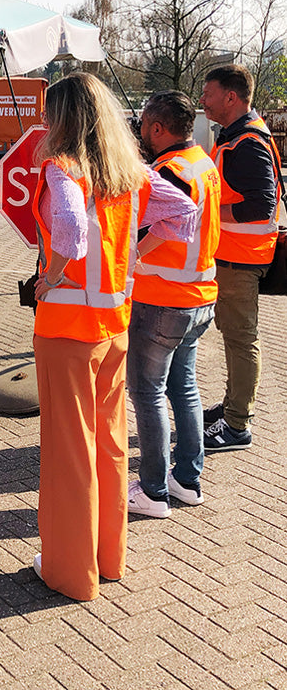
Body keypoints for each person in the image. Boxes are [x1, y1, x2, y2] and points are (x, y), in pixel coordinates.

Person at [31, 73, 196, 602]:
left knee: (68, 451)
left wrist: (50, 276)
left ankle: (69, 570)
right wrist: (136, 256)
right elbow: (185, 213)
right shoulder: (131, 174)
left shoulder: (63, 169)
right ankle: (109, 557)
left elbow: (73, 235)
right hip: (114, 326)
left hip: (65, 327)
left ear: (63, 120)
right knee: (107, 443)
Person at [127, 91, 221, 519]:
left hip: (164, 297)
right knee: (184, 389)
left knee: (148, 393)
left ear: (158, 128)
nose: (140, 131)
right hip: (199, 294)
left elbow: (171, 221)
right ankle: (187, 481)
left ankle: (152, 491)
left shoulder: (170, 170)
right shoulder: (202, 161)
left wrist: (135, 255)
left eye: (144, 124)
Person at [198, 64, 282, 451]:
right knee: (235, 338)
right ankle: (233, 408)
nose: (203, 99)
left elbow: (261, 207)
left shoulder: (246, 143)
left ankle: (236, 425)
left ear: (231, 97)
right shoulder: (238, 137)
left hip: (240, 260)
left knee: (241, 339)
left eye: (208, 92)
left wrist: (208, 213)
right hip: (235, 257)